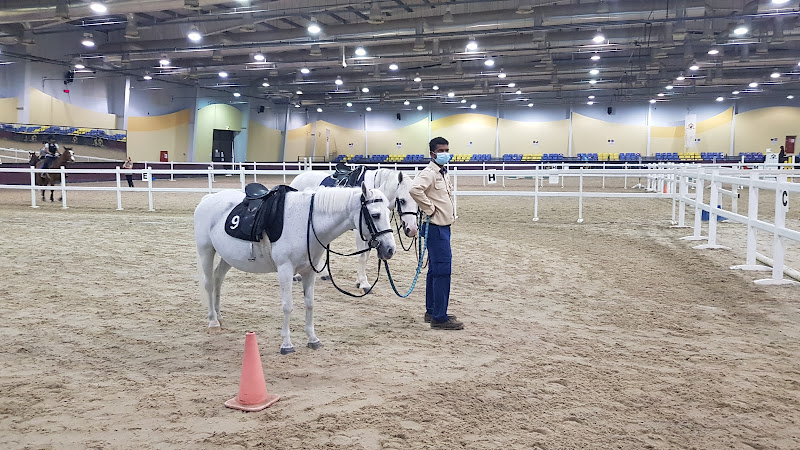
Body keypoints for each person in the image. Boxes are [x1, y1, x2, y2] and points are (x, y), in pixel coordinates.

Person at [409, 137, 463, 330]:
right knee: (442, 271)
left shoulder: (442, 172)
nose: (445, 153)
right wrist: (430, 209)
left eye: (447, 149)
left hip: (442, 227)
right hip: (436, 227)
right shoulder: (430, 173)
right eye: (441, 150)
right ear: (432, 153)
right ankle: (439, 317)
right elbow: (414, 189)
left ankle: (432, 310)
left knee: (435, 270)